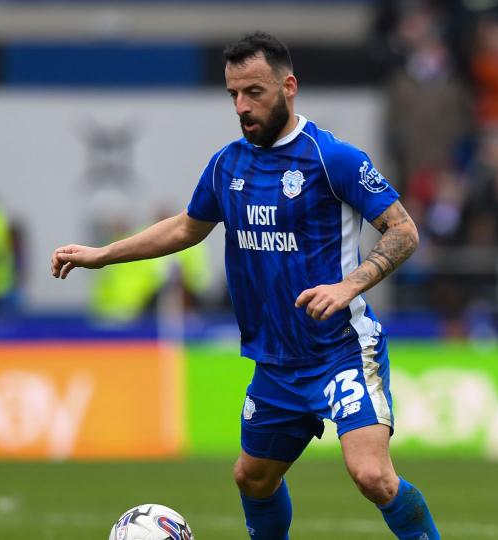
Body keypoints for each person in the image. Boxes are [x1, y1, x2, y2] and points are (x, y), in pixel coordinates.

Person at [52, 32, 439, 540]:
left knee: (371, 475)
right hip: (275, 362)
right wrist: (104, 255)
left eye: (254, 92)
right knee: (252, 479)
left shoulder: (332, 159)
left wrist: (349, 287)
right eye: (233, 94)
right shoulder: (227, 165)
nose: (242, 105)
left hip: (339, 352)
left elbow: (403, 229)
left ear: (289, 86)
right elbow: (187, 227)